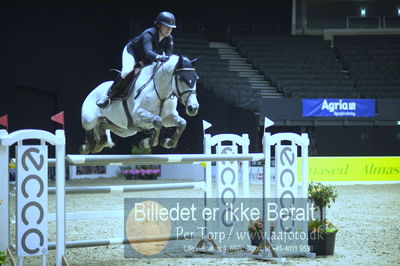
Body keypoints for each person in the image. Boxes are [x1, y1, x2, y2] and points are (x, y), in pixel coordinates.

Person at [97, 11, 176, 109]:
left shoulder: (169, 39)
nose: (169, 29)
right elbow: (148, 51)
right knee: (126, 71)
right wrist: (159, 57)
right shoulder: (149, 34)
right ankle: (107, 96)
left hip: (147, 59)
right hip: (133, 53)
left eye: (171, 27)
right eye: (166, 26)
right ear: (158, 25)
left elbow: (168, 56)